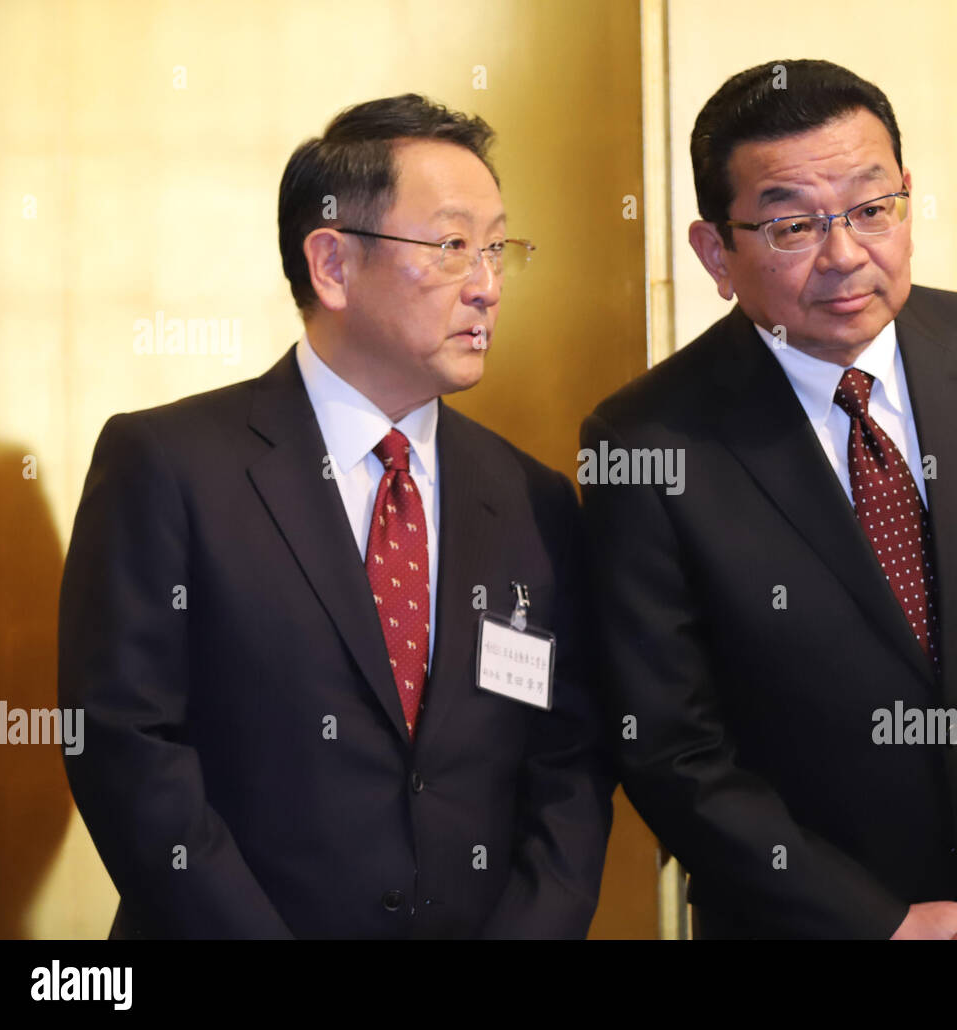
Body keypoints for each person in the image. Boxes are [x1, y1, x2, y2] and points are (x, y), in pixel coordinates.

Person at [580, 60, 957, 939]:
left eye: (870, 207)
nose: (845, 254)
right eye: (790, 225)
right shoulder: (646, 443)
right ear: (716, 252)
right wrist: (876, 923)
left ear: (906, 202)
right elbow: (672, 747)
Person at [59, 94, 612, 938]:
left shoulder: (532, 499)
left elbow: (567, 763)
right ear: (332, 265)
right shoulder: (171, 465)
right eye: (454, 245)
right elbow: (128, 748)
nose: (489, 286)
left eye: (499, 248)